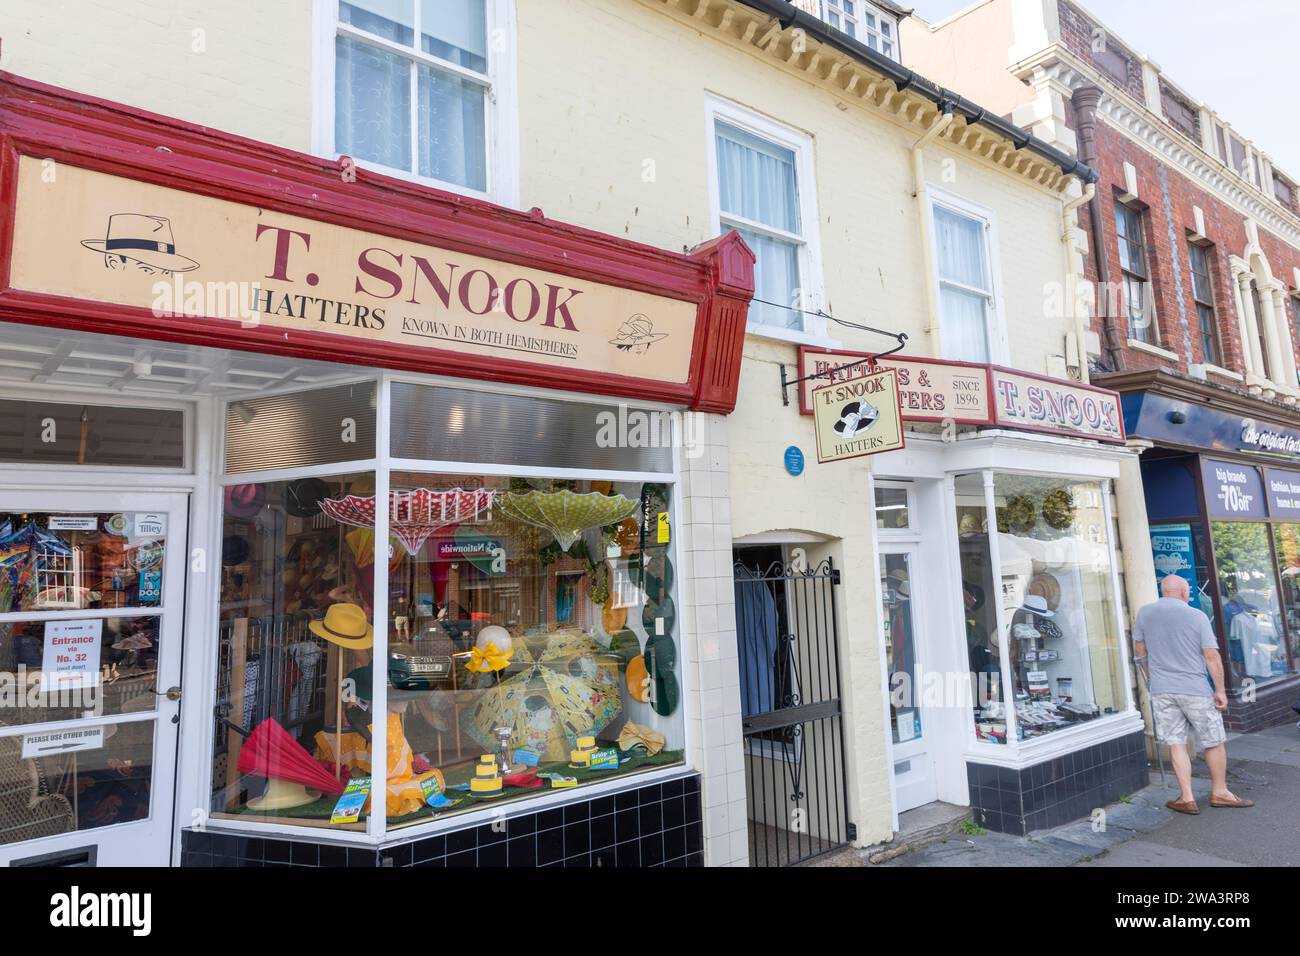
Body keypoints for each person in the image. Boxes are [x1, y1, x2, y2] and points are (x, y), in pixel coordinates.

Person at [1133, 575, 1254, 814]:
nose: (1189, 595)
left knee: (1176, 742)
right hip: (1195, 689)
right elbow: (1211, 656)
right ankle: (1220, 792)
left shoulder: (1145, 613)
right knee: (1213, 741)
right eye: (1188, 591)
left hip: (1162, 689)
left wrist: (1151, 677)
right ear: (1182, 592)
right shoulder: (1196, 616)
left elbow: (1139, 651)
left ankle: (1186, 797)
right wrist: (1220, 690)